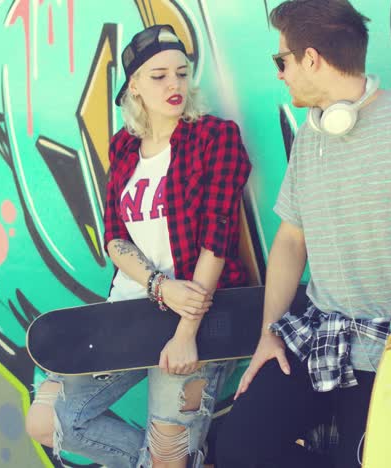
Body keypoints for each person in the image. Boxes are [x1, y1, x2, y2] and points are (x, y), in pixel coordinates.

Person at [25, 24, 251, 468]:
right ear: (134, 86)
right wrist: (157, 285)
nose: (174, 85)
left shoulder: (215, 137)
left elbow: (218, 238)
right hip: (129, 312)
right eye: (159, 75)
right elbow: (115, 238)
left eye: (182, 74)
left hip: (196, 314)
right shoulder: (125, 147)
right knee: (47, 420)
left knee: (167, 458)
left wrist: (186, 333)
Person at [215, 1, 391, 468]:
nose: (280, 73)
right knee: (236, 450)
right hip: (320, 335)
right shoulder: (312, 137)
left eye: (282, 60)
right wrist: (269, 334)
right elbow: (291, 240)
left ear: (310, 58)